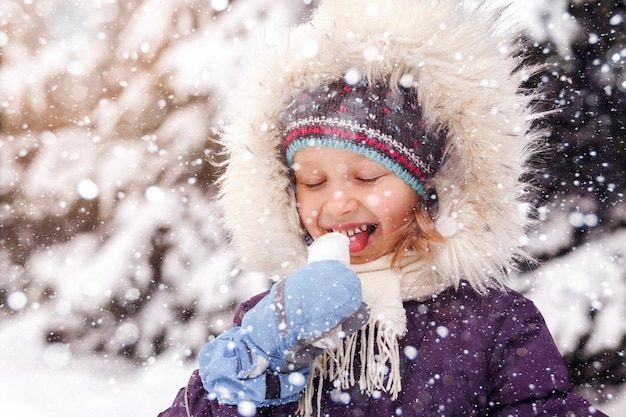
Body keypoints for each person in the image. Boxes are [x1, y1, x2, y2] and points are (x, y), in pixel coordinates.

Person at [159, 0, 608, 416]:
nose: (336, 202)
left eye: (368, 178)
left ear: (427, 190)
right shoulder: (270, 320)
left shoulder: (494, 325)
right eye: (312, 182)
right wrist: (257, 358)